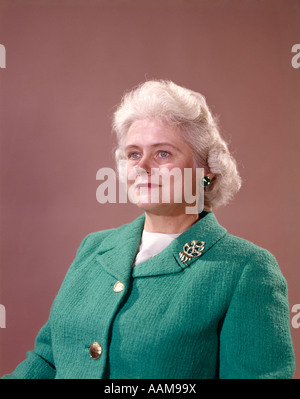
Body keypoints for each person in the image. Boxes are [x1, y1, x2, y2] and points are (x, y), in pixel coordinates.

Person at [2, 80, 295, 379]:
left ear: (205, 172)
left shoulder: (247, 269)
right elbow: (47, 362)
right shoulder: (93, 248)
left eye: (163, 154)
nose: (142, 166)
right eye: (133, 154)